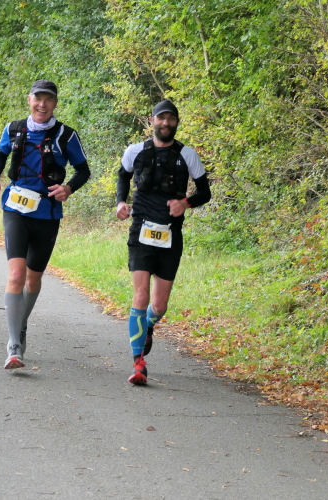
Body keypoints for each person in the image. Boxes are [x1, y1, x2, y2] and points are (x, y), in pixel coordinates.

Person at [0, 79, 90, 370]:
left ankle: (20, 325)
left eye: (48, 99)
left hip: (47, 212)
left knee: (33, 279)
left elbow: (83, 170)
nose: (42, 104)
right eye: (38, 99)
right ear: (29, 100)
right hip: (15, 208)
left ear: (55, 103)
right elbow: (0, 153)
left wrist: (68, 188)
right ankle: (14, 346)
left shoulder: (66, 135)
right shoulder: (14, 128)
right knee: (16, 274)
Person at [115, 100, 211, 385]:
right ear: (152, 121)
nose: (165, 123)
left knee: (159, 306)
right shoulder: (135, 151)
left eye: (171, 119)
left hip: (170, 235)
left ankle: (148, 326)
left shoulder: (187, 154)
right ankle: (138, 364)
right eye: (161, 118)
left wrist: (186, 203)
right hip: (141, 232)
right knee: (141, 295)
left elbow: (205, 192)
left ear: (177, 122)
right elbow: (123, 175)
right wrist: (121, 202)